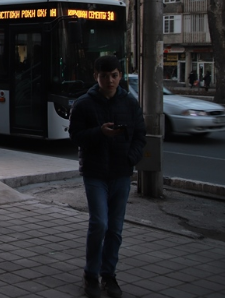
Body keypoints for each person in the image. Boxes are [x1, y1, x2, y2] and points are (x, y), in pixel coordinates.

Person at [69, 55, 146, 298]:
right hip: (95, 173)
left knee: (115, 228)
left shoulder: (129, 103)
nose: (110, 80)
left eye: (114, 75)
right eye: (104, 76)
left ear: (120, 76)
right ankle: (91, 274)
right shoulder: (84, 103)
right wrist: (100, 133)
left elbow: (140, 135)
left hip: (121, 172)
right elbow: (75, 136)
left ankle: (109, 274)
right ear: (96, 77)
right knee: (99, 223)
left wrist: (131, 158)